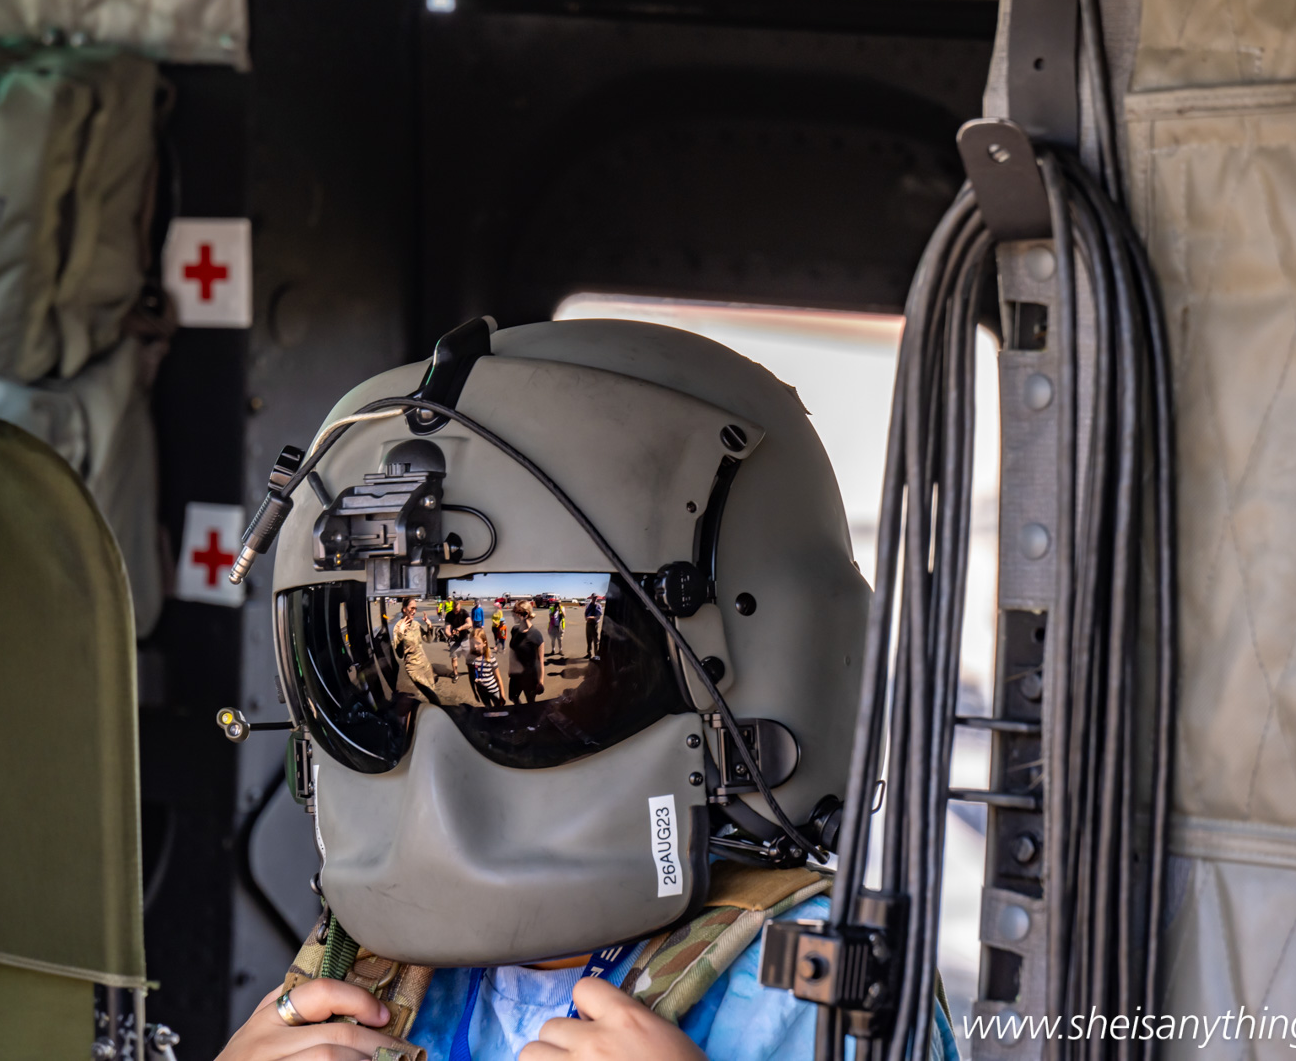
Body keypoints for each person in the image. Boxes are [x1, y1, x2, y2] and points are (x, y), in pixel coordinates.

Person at [222, 318, 960, 1061]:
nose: (436, 763)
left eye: (534, 661)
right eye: (409, 662)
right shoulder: (357, 974)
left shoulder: (801, 988)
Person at [390, 596, 442, 706]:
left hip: (425, 664)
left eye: (415, 608)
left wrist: (430, 626)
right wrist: (400, 633)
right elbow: (399, 654)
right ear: (404, 609)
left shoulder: (416, 624)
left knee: (433, 689)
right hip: (414, 668)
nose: (414, 611)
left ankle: (433, 710)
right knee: (432, 695)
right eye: (412, 608)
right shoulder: (398, 627)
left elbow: (428, 639)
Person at [506, 600, 545, 704]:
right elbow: (512, 651)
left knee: (530, 701)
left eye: (516, 613)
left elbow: (540, 661)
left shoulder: (536, 635)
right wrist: (510, 668)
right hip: (516, 674)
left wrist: (541, 681)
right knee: (512, 697)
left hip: (530, 677)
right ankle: (519, 710)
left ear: (526, 614)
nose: (513, 615)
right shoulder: (514, 630)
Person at [468, 627, 507, 712]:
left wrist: (502, 695)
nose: (475, 646)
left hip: (493, 691)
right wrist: (475, 692)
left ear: (484, 643)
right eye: (472, 643)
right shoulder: (470, 659)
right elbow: (471, 676)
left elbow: (498, 678)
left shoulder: (490, 659)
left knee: (498, 709)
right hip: (481, 692)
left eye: (478, 643)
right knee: (488, 709)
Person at [444, 600, 471, 680]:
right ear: (453, 607)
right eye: (455, 609)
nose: (457, 611)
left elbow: (469, 624)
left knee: (469, 658)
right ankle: (456, 674)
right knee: (454, 658)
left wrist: (459, 628)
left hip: (464, 639)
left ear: (460, 606)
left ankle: (471, 672)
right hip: (454, 640)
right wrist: (449, 635)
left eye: (458, 609)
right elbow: (447, 628)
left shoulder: (464, 612)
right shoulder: (449, 615)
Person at [583, 594, 603, 660]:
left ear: (597, 598)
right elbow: (585, 613)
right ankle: (589, 653)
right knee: (588, 639)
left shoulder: (598, 606)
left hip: (594, 624)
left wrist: (592, 617)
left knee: (596, 640)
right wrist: (586, 618)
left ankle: (596, 655)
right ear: (591, 597)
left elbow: (599, 615)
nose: (594, 598)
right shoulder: (588, 605)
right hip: (588, 624)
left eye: (595, 597)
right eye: (593, 597)